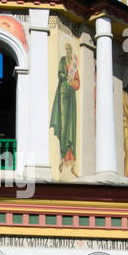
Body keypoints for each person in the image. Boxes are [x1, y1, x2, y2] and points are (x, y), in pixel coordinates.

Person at [50, 44, 79, 174]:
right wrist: (65, 77)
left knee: (71, 127)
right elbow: (60, 73)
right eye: (67, 49)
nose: (68, 51)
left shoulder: (73, 62)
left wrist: (73, 81)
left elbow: (77, 81)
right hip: (63, 93)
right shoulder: (62, 60)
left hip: (71, 95)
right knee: (63, 124)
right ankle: (62, 159)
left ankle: (72, 161)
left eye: (70, 49)